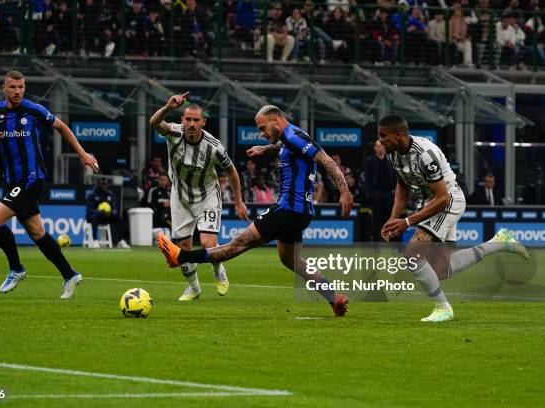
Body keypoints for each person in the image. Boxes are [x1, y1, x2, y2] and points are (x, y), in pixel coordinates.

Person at [157, 104, 354, 316]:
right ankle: (334, 299)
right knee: (291, 260)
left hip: (287, 210)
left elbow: (325, 159)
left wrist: (344, 191)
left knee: (237, 245)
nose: (261, 133)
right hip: (300, 213)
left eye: (262, 128)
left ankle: (181, 256)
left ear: (275, 120)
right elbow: (289, 147)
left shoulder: (294, 136)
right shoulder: (292, 136)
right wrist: (265, 148)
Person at [378, 114, 529, 322]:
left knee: (413, 254)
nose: (380, 141)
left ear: (398, 135)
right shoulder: (393, 155)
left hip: (448, 201)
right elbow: (402, 192)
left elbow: (442, 197)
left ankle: (443, 308)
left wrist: (406, 222)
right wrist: (392, 219)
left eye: (383, 136)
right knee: (442, 270)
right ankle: (499, 242)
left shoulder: (425, 154)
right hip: (429, 203)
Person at [0, 70, 99, 298]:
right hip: (13, 181)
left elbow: (61, 126)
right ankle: (69, 274)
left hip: (32, 179)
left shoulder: (33, 110)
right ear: (4, 88)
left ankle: (16, 269)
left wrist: (82, 154)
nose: (17, 92)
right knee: (37, 232)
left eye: (21, 87)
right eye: (12, 87)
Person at [150, 92, 249, 301]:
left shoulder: (214, 146)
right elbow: (154, 122)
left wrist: (239, 202)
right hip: (180, 197)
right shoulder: (173, 134)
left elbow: (231, 171)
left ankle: (218, 269)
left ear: (203, 122)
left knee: (207, 243)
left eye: (196, 120)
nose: (192, 124)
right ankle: (194, 288)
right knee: (182, 249)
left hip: (208, 196)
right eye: (188, 119)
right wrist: (168, 107)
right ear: (182, 120)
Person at [364, 140, 396, 242]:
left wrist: (395, 191)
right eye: (378, 146)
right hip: (375, 194)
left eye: (382, 146)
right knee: (375, 220)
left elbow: (396, 176)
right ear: (375, 148)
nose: (380, 148)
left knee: (391, 220)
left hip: (389, 194)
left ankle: (392, 242)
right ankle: (376, 243)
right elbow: (367, 179)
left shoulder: (391, 161)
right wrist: (370, 193)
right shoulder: (369, 161)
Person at [85, 177, 130, 249]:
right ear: (98, 184)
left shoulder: (109, 194)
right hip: (94, 216)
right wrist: (99, 212)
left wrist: (111, 212)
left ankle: (121, 240)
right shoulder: (91, 195)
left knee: (118, 218)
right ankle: (95, 240)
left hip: (106, 216)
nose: (104, 186)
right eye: (102, 184)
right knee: (94, 217)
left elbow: (114, 208)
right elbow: (89, 210)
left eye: (105, 184)